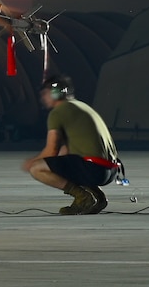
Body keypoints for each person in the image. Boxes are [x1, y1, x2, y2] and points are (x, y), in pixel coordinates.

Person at [22, 74, 121, 214]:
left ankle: (83, 197)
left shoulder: (58, 113)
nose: (43, 98)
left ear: (55, 93)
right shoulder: (80, 106)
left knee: (37, 168)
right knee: (64, 156)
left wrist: (31, 162)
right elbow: (64, 151)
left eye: (45, 94)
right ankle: (98, 197)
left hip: (94, 170)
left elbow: (51, 151)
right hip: (110, 171)